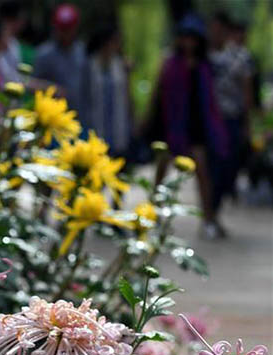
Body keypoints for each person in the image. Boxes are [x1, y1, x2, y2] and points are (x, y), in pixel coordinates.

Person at [149, 13, 227, 239]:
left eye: (192, 38)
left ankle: (208, 219)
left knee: (202, 173)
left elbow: (211, 100)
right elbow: (158, 92)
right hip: (170, 125)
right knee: (161, 172)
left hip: (195, 126)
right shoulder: (169, 63)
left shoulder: (204, 66)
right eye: (185, 37)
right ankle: (153, 216)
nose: (188, 43)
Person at [209, 11, 253, 210]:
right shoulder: (203, 55)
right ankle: (210, 211)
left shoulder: (240, 57)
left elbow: (247, 91)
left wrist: (247, 123)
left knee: (228, 165)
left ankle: (214, 207)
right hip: (208, 120)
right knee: (212, 166)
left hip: (231, 118)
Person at [82, 24, 132, 156]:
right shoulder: (88, 65)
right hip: (94, 124)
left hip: (118, 124)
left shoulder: (121, 64)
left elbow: (127, 94)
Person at [33, 3, 86, 114]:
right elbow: (32, 83)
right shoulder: (44, 54)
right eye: (62, 29)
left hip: (82, 115)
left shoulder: (83, 52)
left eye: (68, 29)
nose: (65, 34)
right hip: (53, 116)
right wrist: (53, 89)